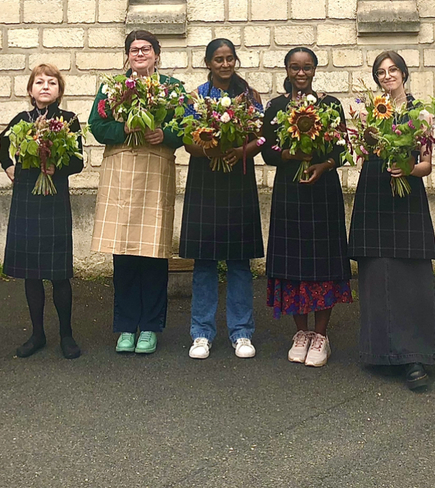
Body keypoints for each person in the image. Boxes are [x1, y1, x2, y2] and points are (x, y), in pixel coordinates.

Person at [89, 30, 185, 355]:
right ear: (127, 55)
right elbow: (96, 125)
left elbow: (184, 125)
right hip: (121, 172)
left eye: (146, 49)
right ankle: (127, 327)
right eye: (134, 49)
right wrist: (123, 129)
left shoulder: (171, 88)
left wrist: (165, 133)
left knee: (153, 252)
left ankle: (152, 327)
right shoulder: (112, 87)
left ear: (157, 54)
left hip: (156, 171)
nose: (140, 54)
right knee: (124, 252)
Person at [348, 51, 435, 390]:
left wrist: (408, 170)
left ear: (404, 74)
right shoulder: (368, 112)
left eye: (393, 70)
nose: (387, 76)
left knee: (411, 272)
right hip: (374, 190)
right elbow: (360, 154)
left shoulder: (421, 112)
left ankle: (415, 357)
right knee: (377, 272)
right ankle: (380, 352)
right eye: (381, 72)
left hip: (407, 194)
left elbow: (427, 166)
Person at [261, 47, 351, 368]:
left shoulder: (330, 105)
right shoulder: (276, 107)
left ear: (315, 70)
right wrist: (290, 156)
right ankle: (301, 333)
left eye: (307, 67)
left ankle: (321, 335)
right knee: (294, 265)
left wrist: (324, 165)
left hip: (323, 191)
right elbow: (268, 150)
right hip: (290, 191)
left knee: (323, 262)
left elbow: (342, 149)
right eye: (295, 68)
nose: (301, 73)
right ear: (286, 70)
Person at [179, 38, 264, 361]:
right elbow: (188, 140)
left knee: (239, 260)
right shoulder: (196, 97)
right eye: (218, 59)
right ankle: (201, 333)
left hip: (238, 177)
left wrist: (239, 151)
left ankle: (242, 332)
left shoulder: (250, 96)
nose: (225, 64)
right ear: (208, 63)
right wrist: (209, 149)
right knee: (205, 260)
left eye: (230, 58)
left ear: (235, 61)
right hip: (206, 179)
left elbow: (260, 135)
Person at [0, 64, 84, 360]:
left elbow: (79, 161)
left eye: (51, 82)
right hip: (26, 198)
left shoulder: (69, 121)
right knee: (31, 274)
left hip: (54, 199)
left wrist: (57, 167)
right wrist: (9, 167)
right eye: (39, 82)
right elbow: (1, 145)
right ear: (30, 89)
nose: (45, 87)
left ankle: (66, 334)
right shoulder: (21, 120)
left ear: (59, 90)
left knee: (59, 274)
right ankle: (37, 333)